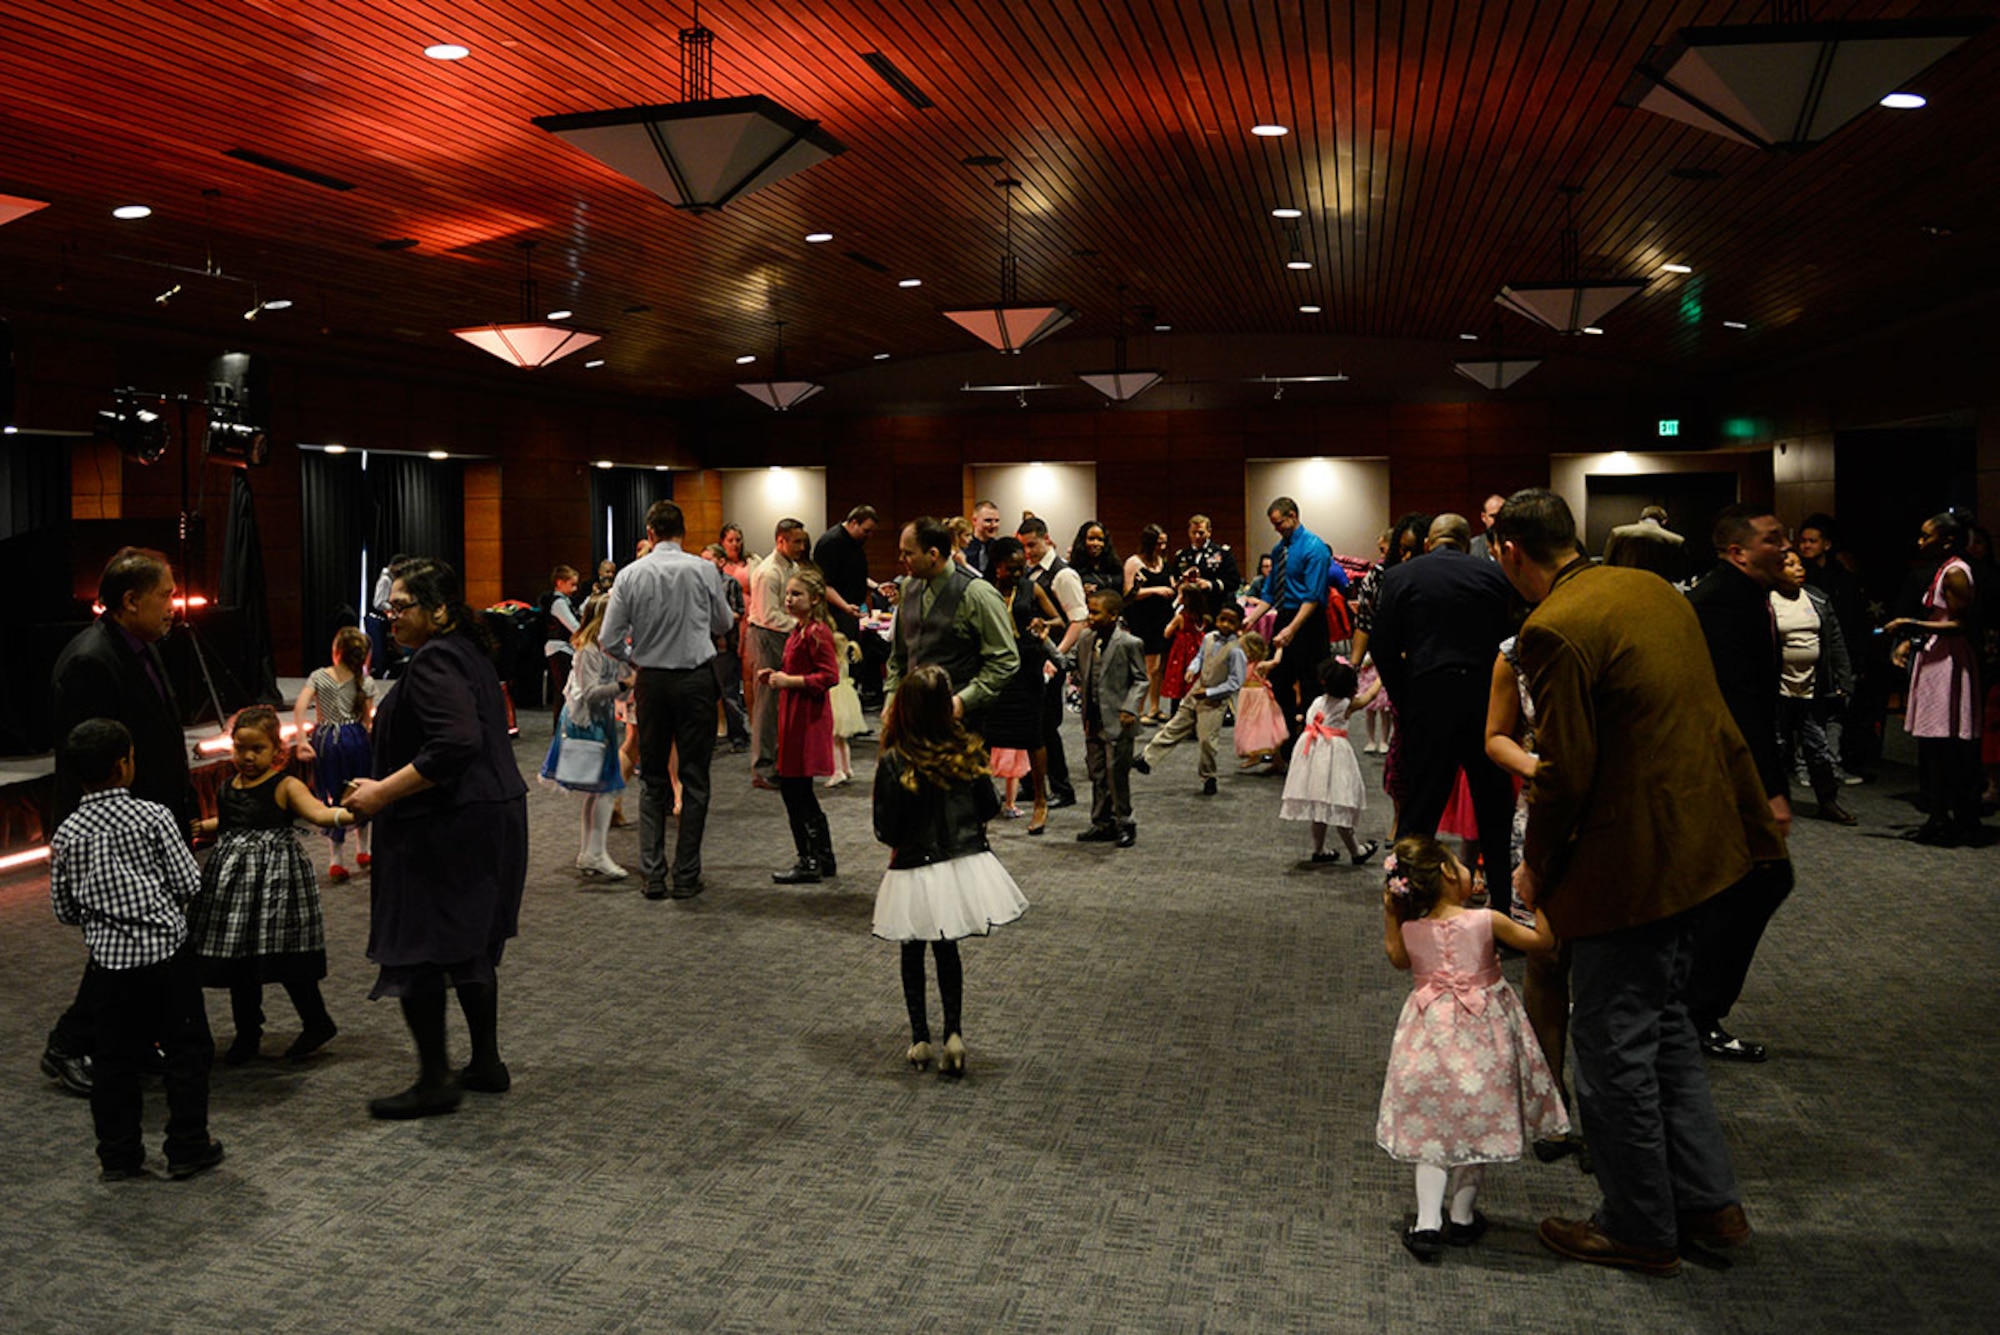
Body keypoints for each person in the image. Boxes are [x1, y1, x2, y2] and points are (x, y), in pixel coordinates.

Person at [1494, 488, 1785, 1276]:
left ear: (1510, 552)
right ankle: (1709, 1206)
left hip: (1631, 866)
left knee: (1611, 1045)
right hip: (1703, 847)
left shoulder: (1553, 627)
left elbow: (1564, 776)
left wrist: (1535, 866)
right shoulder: (1652, 588)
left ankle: (1638, 1225)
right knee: (1664, 1033)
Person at [343, 558, 529, 1118]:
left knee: (422, 949)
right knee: (466, 945)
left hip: (449, 825)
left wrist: (380, 793)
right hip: (485, 817)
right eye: (387, 608)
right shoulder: (464, 654)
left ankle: (434, 1082)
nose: (390, 618)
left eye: (401, 607)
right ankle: (484, 1064)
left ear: (440, 610)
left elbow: (454, 744)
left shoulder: (434, 662)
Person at [43, 547, 198, 1097]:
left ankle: (131, 1039)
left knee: (142, 942)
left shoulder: (142, 646)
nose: (173, 606)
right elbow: (90, 759)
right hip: (112, 831)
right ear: (130, 600)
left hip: (148, 821)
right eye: (165, 595)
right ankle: (68, 1043)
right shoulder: (92, 661)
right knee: (121, 944)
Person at [1376, 833, 1567, 1262]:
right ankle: (1461, 1217)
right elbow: (1543, 944)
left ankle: (1427, 1222)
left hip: (1427, 1038)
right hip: (1484, 1039)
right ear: (1447, 872)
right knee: (1473, 1124)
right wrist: (1542, 902)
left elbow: (1397, 959)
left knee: (1433, 1129)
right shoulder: (1486, 921)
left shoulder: (1411, 928)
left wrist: (1391, 914)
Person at [48, 718, 222, 1182]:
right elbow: (189, 881)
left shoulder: (66, 834)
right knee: (186, 1051)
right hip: (167, 954)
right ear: (125, 764)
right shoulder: (154, 816)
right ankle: (187, 1146)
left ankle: (118, 1154)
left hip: (108, 966)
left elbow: (64, 909)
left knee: (113, 1060)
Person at [871, 664, 1027, 1077]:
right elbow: (990, 806)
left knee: (911, 949)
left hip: (912, 865)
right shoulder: (968, 750)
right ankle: (954, 1034)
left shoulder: (895, 759)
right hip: (960, 860)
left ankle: (920, 1038)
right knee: (947, 949)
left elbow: (885, 829)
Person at [1684, 503, 1795, 1062]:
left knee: (1735, 885)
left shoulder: (1740, 595)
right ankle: (1696, 1011)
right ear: (1738, 551)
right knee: (1759, 879)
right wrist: (1769, 790)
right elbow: (1739, 706)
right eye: (1774, 539)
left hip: (1724, 766)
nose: (1787, 546)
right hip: (1724, 770)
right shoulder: (1724, 603)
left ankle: (1690, 1007)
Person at [1368, 514, 1519, 914]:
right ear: (1468, 541)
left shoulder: (1400, 577)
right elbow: (1517, 641)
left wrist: (1406, 696)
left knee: (1419, 810)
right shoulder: (1495, 577)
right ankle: (1502, 908)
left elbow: (1382, 648)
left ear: (1430, 541)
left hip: (1428, 698)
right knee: (1494, 813)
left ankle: (1406, 903)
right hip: (1486, 703)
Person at [188, 705, 352, 1064]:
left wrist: (347, 813)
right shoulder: (226, 786)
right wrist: (207, 826)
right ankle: (248, 1033)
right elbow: (233, 820)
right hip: (233, 889)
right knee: (239, 962)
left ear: (277, 751)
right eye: (240, 748)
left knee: (287, 958)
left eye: (257, 749)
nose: (247, 757)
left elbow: (317, 812)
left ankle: (317, 1021)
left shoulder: (285, 785)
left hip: (277, 885)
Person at [599, 502, 737, 901]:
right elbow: (724, 623)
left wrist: (635, 660)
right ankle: (687, 874)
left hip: (652, 681)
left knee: (653, 777)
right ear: (684, 532)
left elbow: (609, 639)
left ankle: (653, 875)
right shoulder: (703, 569)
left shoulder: (629, 574)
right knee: (694, 778)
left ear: (650, 531)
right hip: (695, 682)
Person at [1886, 511, 1984, 844]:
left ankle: (1957, 818)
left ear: (1947, 540)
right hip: (1936, 656)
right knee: (1934, 745)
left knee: (1948, 744)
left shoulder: (1956, 572)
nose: (1920, 541)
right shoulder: (1941, 569)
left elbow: (1961, 624)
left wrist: (1912, 625)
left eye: (1927, 536)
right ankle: (1939, 815)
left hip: (1950, 661)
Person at [883, 517, 1020, 742]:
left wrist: (962, 701)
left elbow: (1005, 660)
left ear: (933, 554)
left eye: (908, 553)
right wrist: (891, 698)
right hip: (911, 719)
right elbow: (899, 656)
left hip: (961, 724)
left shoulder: (977, 594)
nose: (901, 559)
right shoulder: (908, 587)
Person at [539, 595, 632, 879]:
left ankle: (592, 852)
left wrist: (625, 682)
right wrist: (623, 684)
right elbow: (591, 693)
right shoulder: (588, 650)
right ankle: (595, 852)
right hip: (585, 721)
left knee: (600, 791)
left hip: (598, 721)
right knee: (603, 789)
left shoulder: (608, 649)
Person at [1047, 590, 1147, 847]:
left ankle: (1126, 822)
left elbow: (1141, 679)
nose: (1089, 617)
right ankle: (1102, 823)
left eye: (1095, 612)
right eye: (1089, 611)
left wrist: (1131, 708)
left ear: (1113, 616)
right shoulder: (1085, 639)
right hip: (1093, 719)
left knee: (1117, 775)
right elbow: (1066, 663)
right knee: (1098, 773)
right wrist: (1044, 641)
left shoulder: (1129, 643)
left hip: (1119, 720)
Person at [761, 564, 841, 883]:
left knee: (796, 791)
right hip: (795, 716)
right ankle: (822, 857)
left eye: (797, 594)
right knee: (799, 792)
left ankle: (809, 860)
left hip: (807, 720)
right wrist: (775, 677)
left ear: (815, 598)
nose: (789, 599)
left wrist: (790, 681)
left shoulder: (816, 631)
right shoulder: (800, 629)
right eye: (788, 594)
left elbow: (829, 676)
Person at [1771, 550, 1857, 824]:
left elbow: (1835, 641)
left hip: (1811, 687)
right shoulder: (1766, 600)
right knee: (1777, 747)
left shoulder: (1816, 597)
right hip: (1778, 689)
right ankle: (1770, 804)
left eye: (1799, 564)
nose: (1799, 568)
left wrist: (1843, 680)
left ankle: (1827, 801)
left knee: (1817, 747)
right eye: (1790, 564)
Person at [984, 536, 1061, 835]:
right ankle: (981, 803)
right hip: (996, 670)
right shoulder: (984, 591)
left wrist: (1044, 626)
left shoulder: (1031, 588)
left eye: (1021, 568)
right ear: (997, 566)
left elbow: (1059, 619)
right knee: (986, 737)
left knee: (1034, 736)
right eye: (1010, 569)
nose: (1018, 574)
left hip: (1028, 669)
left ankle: (1041, 800)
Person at [1135, 602, 1246, 795]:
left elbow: (1236, 682)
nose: (1225, 625)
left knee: (1206, 741)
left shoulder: (1236, 651)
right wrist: (1192, 669)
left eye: (1231, 622)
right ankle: (1147, 758)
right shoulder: (1209, 638)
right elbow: (1200, 657)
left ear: (1239, 625)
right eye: (1222, 619)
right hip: (1196, 691)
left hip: (1213, 700)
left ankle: (1208, 776)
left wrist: (1211, 693)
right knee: (1175, 726)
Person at [293, 626, 375, 882]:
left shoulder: (319, 676)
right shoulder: (366, 682)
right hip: (356, 739)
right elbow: (367, 720)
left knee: (333, 796)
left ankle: (335, 860)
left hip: (326, 739)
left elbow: (299, 707)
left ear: (335, 651)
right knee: (360, 790)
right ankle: (364, 850)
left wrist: (301, 740)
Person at [1280, 657, 1377, 864]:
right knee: (1341, 801)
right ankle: (1355, 851)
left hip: (1313, 755)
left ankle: (1319, 849)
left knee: (1319, 803)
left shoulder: (1318, 701)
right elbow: (1370, 696)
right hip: (1334, 755)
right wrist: (1382, 675)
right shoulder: (1346, 705)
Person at [1019, 516, 1087, 806]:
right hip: (1030, 659)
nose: (1028, 552)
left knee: (1046, 726)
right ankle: (1031, 784)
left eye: (1032, 545)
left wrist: (1056, 657)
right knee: (1026, 724)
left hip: (1051, 659)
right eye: (1023, 546)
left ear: (1046, 539)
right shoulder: (1028, 572)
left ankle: (1062, 788)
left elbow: (1079, 621)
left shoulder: (1063, 575)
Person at [1261, 496, 1335, 761]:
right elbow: (1269, 594)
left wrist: (1292, 629)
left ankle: (1313, 744)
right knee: (1278, 680)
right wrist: (1249, 620)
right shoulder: (1279, 550)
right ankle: (1289, 738)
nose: (1277, 529)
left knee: (1312, 683)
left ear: (1293, 515)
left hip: (1309, 621)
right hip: (1285, 616)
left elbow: (1313, 597)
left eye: (1279, 523)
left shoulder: (1314, 548)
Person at [747, 518, 811, 788]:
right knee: (767, 703)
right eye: (796, 541)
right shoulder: (768, 572)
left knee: (784, 702)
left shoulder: (792, 567)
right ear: (780, 540)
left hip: (784, 634)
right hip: (766, 635)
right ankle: (762, 768)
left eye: (802, 541)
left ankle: (778, 761)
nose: (801, 546)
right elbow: (769, 614)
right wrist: (802, 624)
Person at [1122, 523, 1176, 723]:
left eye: (1164, 543)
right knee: (1148, 667)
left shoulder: (1161, 561)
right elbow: (1128, 594)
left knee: (1160, 667)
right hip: (1143, 618)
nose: (1162, 547)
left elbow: (1170, 585)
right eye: (1159, 543)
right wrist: (1155, 590)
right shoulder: (1133, 563)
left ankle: (1155, 707)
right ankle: (1140, 709)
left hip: (1162, 617)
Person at [700, 544, 751, 752]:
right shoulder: (699, 584)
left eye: (708, 559)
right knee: (707, 695)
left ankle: (738, 736)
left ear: (720, 562)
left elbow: (738, 612)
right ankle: (708, 736)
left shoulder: (730, 584)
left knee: (729, 693)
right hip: (704, 645)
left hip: (724, 646)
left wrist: (718, 619)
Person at [813, 505, 879, 641]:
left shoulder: (855, 542)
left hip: (850, 612)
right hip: (836, 614)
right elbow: (824, 584)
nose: (870, 536)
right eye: (866, 531)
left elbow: (854, 575)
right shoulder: (831, 543)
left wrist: (877, 587)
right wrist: (845, 607)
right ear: (854, 522)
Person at [1232, 631, 1289, 767]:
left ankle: (1256, 755)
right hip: (1246, 696)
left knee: (1260, 725)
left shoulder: (1259, 666)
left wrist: (1279, 649)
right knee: (1248, 724)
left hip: (1257, 697)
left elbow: (1275, 662)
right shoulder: (1244, 664)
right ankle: (1276, 760)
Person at [1171, 513, 1243, 615]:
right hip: (1190, 611)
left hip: (1214, 607)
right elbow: (1175, 581)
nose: (1197, 536)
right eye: (1193, 532)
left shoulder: (1222, 554)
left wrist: (1210, 585)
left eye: (1201, 533)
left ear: (1209, 532)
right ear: (1189, 533)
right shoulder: (1182, 556)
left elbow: (1234, 581)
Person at [1602, 505, 1687, 583]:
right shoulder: (1676, 540)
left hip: (1624, 587)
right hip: (1657, 591)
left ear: (1641, 519)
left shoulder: (1618, 533)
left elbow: (1606, 566)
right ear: (1664, 522)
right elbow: (1677, 576)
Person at [540, 563, 582, 717]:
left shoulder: (564, 601)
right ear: (559, 582)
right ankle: (561, 728)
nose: (575, 589)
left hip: (562, 648)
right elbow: (574, 626)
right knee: (564, 691)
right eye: (572, 585)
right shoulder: (558, 603)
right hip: (559, 649)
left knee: (563, 691)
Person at [828, 631, 865, 786]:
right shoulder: (846, 659)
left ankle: (837, 771)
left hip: (835, 697)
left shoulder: (833, 660)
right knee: (843, 740)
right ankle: (847, 767)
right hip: (847, 697)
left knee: (833, 739)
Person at [1067, 519, 1123, 598]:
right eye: (1091, 539)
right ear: (1082, 541)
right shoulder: (1073, 569)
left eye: (1100, 539)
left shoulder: (1115, 566)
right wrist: (1081, 592)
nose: (1096, 543)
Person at [962, 499, 1003, 578]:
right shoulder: (963, 547)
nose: (993, 525)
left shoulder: (1000, 548)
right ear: (974, 521)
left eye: (997, 521)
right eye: (988, 520)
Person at [1466, 494, 1506, 562]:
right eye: (1493, 516)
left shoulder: (1517, 547)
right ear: (1483, 517)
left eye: (1501, 516)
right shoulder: (1472, 548)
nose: (1497, 521)